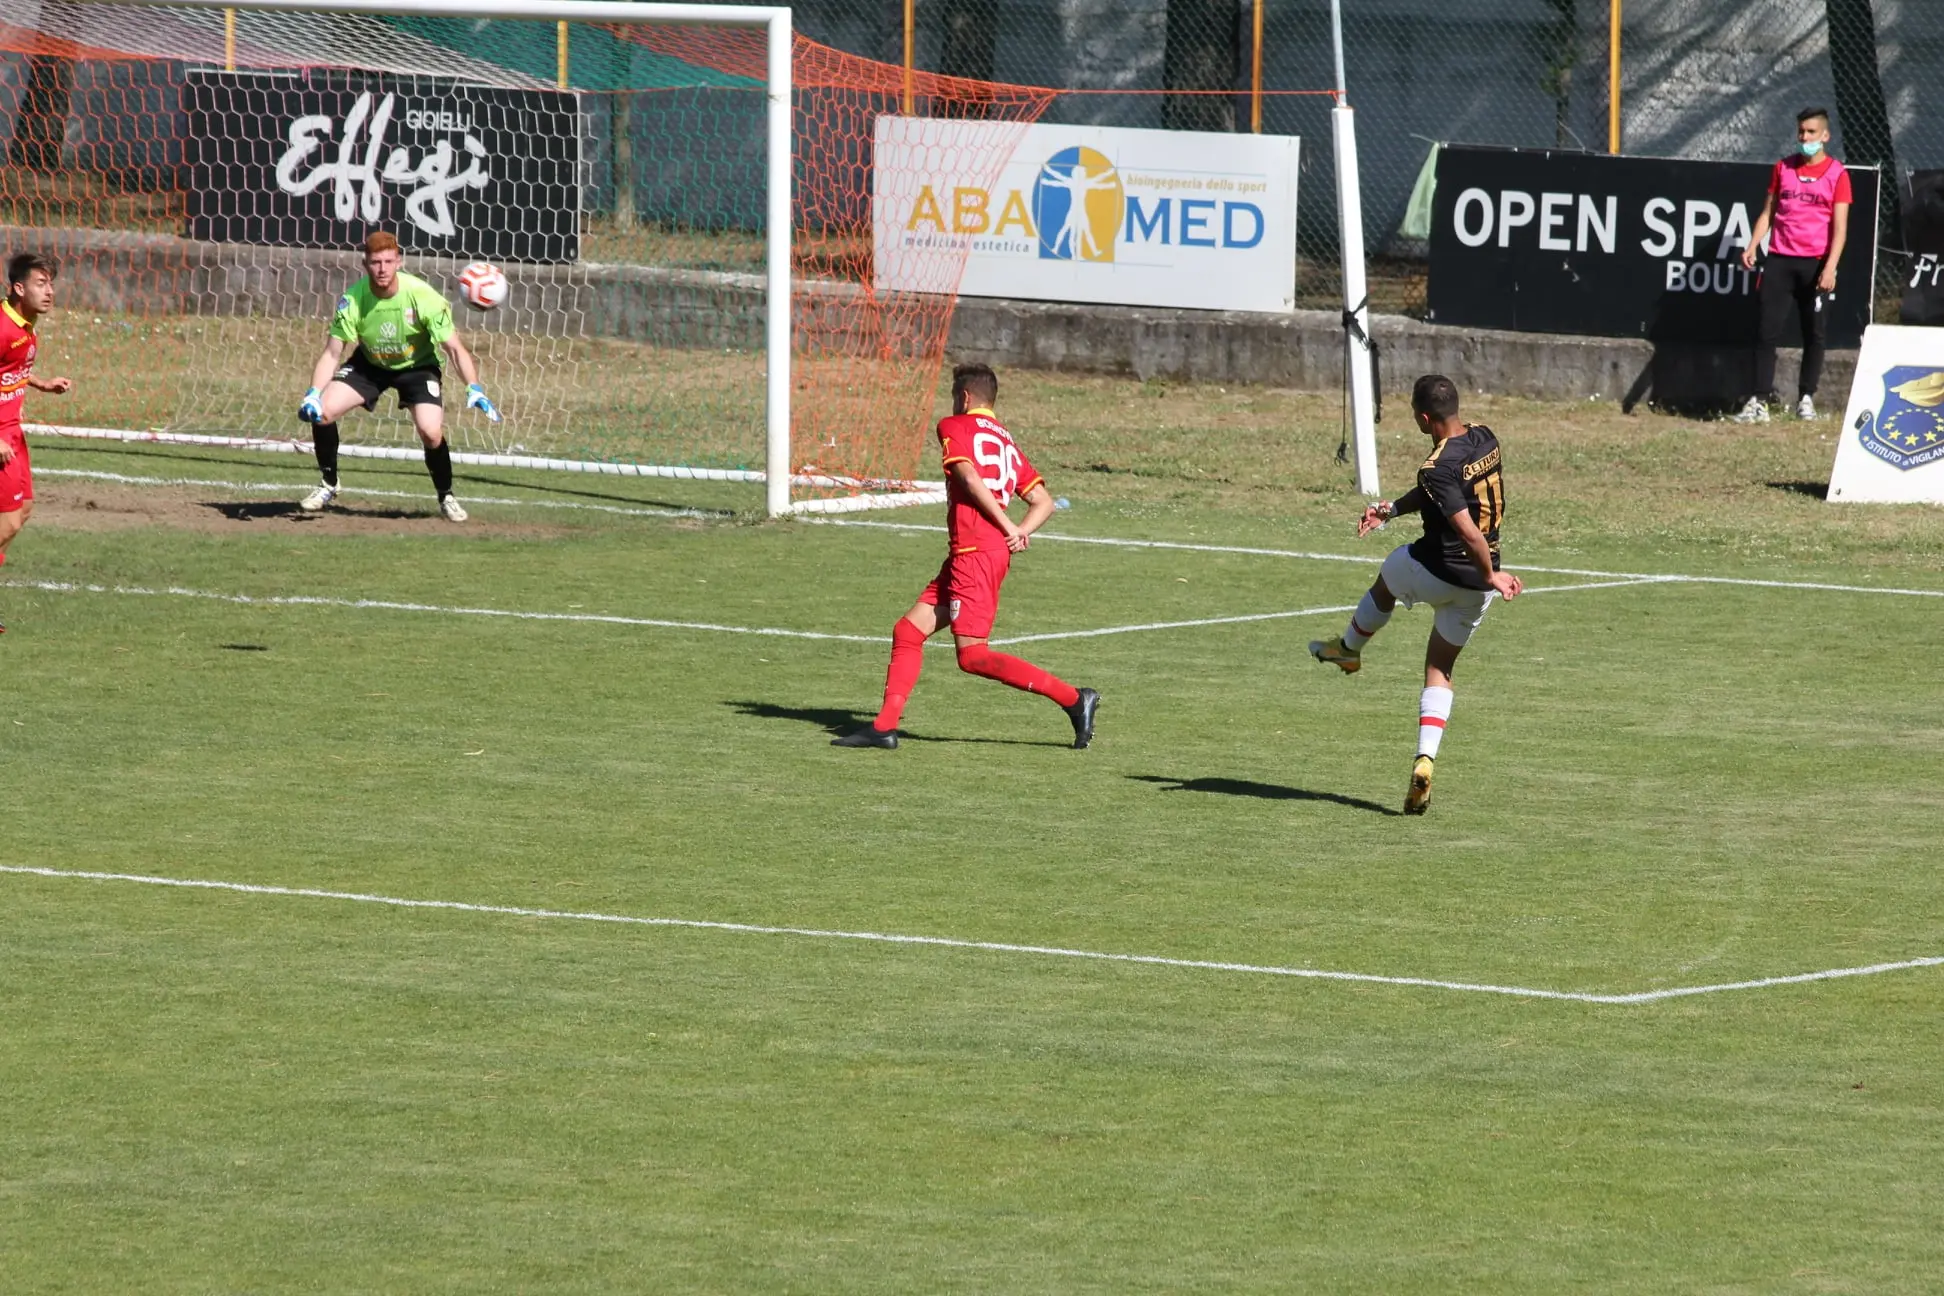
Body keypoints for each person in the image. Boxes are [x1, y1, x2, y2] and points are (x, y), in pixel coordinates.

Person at [833, 362, 1099, 750]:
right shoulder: (1006, 440)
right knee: (908, 631)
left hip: (977, 554)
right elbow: (1044, 501)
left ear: (965, 397)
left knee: (972, 656)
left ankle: (1076, 700)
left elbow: (970, 478)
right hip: (972, 554)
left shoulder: (953, 426)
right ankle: (885, 727)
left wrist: (1010, 528)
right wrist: (1021, 530)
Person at [1309, 374, 1522, 814]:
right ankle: (1425, 759)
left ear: (1425, 418)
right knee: (1439, 667)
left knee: (1388, 577)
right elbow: (1438, 495)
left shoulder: (1435, 466)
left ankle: (1349, 649)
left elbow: (1466, 530)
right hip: (1475, 589)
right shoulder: (1486, 437)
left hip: (1441, 569)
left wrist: (1493, 575)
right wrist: (1391, 509)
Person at [296, 231, 501, 521]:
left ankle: (446, 496)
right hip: (370, 365)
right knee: (323, 413)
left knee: (431, 432)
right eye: (376, 262)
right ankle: (329, 483)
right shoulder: (353, 299)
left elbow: (454, 348)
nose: (382, 269)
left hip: (417, 367)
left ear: (399, 262)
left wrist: (474, 388)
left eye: (388, 261)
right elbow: (332, 352)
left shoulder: (423, 296)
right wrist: (313, 394)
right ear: (365, 264)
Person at [1734, 107, 1852, 424]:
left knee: (1814, 334)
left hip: (1815, 265)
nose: (1805, 138)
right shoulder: (1783, 168)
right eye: (1801, 132)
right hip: (1780, 262)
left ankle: (1806, 398)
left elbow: (1840, 229)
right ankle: (1758, 401)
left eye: (1811, 132)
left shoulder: (1837, 174)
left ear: (1825, 136)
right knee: (1766, 332)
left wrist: (1830, 268)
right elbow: (1768, 212)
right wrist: (1753, 243)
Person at [0, 251, 74, 634]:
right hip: (1, 438)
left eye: (51, 283)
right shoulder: (3, 327)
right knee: (8, 522)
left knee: (23, 511)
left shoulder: (24, 325)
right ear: (18, 288)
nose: (50, 292)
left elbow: (8, 368)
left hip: (13, 432)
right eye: (40, 284)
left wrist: (40, 383)